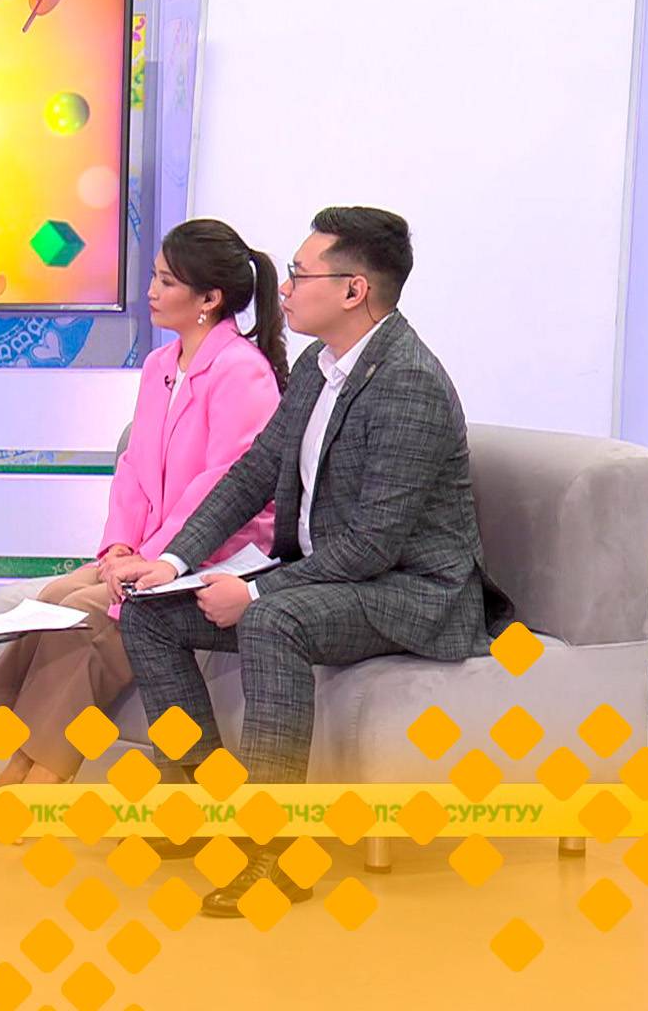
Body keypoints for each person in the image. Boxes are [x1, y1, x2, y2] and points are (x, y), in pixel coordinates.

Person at [113, 206, 515, 917]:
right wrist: (173, 561)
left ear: (354, 290)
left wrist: (255, 595)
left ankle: (277, 852)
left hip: (415, 592)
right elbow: (252, 472)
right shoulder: (316, 366)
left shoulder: (408, 383)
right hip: (337, 574)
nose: (285, 288)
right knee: (150, 613)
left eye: (301, 275)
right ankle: (201, 800)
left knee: (275, 622)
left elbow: (372, 547)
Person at [0, 218, 286, 819]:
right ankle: (16, 773)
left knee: (91, 614)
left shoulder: (243, 372)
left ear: (210, 299)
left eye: (167, 282)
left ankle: (42, 783)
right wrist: (117, 548)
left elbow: (222, 489)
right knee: (58, 598)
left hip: (215, 553)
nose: (151, 292)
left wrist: (152, 559)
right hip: (151, 548)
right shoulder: (161, 363)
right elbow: (134, 468)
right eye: (154, 278)